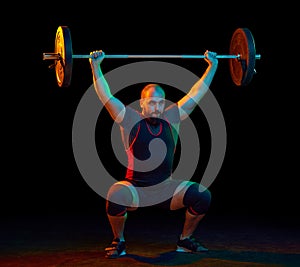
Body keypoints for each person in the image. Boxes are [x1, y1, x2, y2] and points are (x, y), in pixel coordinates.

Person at [89, 50, 218, 259]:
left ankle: (185, 241)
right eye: (151, 103)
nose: (156, 107)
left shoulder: (172, 117)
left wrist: (212, 67)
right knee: (115, 194)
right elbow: (106, 97)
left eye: (160, 103)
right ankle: (118, 241)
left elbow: (196, 94)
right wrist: (96, 67)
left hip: (166, 189)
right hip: (136, 190)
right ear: (142, 103)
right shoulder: (131, 120)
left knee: (202, 195)